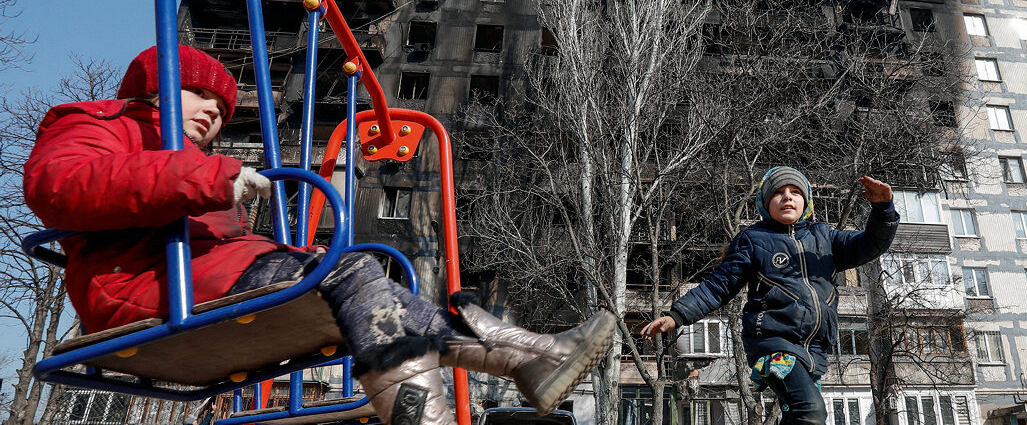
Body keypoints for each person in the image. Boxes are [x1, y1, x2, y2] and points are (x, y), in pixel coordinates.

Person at [24, 46, 614, 425]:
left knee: (379, 296)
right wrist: (205, 176)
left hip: (205, 280)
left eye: (221, 108)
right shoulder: (100, 124)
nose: (211, 112)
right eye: (198, 94)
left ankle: (530, 360)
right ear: (153, 89)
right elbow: (61, 184)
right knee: (350, 272)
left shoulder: (197, 164)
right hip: (145, 288)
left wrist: (210, 178)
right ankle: (469, 393)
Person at [641, 166, 898, 425]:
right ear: (765, 204)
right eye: (778, 193)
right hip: (773, 344)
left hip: (814, 351)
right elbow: (718, 285)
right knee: (810, 410)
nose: (787, 197)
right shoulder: (754, 240)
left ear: (806, 202)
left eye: (795, 192)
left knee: (805, 415)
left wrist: (883, 209)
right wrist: (677, 315)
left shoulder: (826, 238)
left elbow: (869, 245)